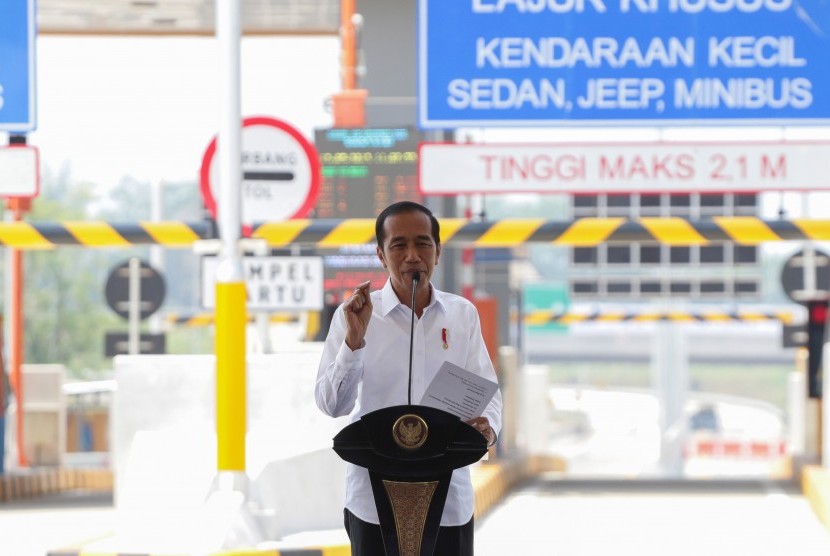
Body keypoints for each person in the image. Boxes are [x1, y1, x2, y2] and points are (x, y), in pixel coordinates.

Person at [315, 201, 502, 556]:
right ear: (382, 255)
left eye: (423, 243)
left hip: (449, 499)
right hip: (372, 500)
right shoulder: (354, 314)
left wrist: (488, 428)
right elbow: (332, 405)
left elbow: (487, 393)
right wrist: (354, 342)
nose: (412, 255)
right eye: (399, 245)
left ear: (438, 251)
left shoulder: (462, 315)